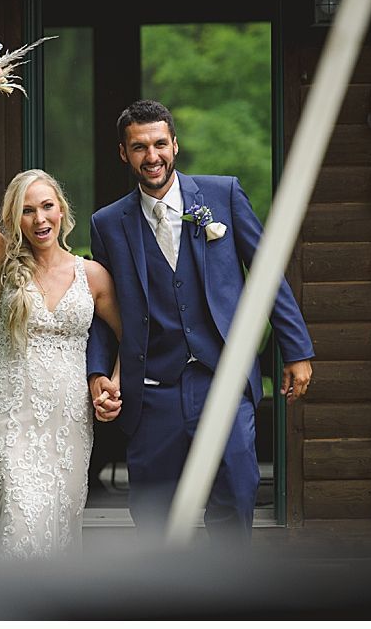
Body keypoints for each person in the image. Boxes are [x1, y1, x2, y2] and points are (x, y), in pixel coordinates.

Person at [86, 99, 314, 546]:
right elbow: (101, 307)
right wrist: (98, 372)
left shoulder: (222, 195)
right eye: (139, 147)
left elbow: (266, 273)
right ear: (123, 153)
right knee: (153, 511)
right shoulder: (108, 223)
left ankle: (229, 603)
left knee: (236, 491)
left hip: (222, 377)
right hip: (152, 388)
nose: (151, 156)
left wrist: (297, 349)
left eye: (159, 144)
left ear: (175, 144)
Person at [0, 105, 123, 560]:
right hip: (10, 415)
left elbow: (131, 336)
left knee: (56, 526)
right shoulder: (3, 267)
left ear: (62, 210)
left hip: (70, 423)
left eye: (47, 206)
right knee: (20, 516)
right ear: (14, 219)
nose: (39, 219)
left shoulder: (92, 276)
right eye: (26, 211)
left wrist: (112, 384)